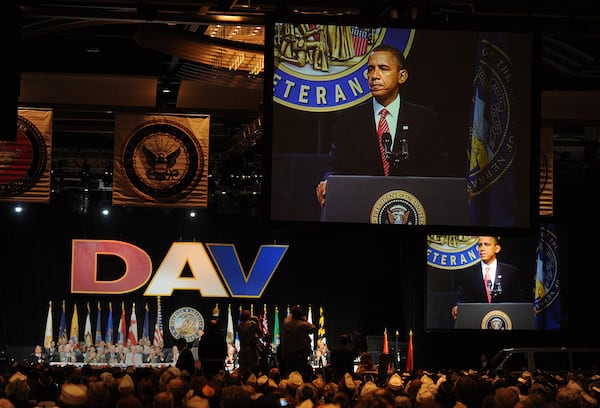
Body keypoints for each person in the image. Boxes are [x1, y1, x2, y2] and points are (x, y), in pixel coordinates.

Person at [316, 43, 448, 207]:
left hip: (412, 208)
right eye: (371, 69)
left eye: (383, 68)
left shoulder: (425, 119)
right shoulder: (348, 119)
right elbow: (336, 167)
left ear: (402, 76)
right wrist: (328, 181)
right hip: (362, 206)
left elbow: (440, 171)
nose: (374, 75)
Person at [451, 236, 527, 320]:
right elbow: (462, 298)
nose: (482, 249)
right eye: (480, 245)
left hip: (503, 319)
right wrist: (457, 307)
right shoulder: (468, 273)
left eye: (486, 245)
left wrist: (528, 310)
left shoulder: (510, 272)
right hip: (477, 319)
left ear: (497, 248)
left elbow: (518, 298)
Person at [279, 305, 316, 379]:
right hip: (300, 354)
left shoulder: (286, 322)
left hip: (288, 354)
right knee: (300, 374)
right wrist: (303, 320)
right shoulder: (303, 324)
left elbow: (289, 317)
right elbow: (314, 328)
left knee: (289, 374)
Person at [236, 309, 262, 381]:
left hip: (242, 349)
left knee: (242, 368)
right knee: (252, 368)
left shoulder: (239, 326)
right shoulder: (253, 324)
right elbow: (260, 333)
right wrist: (258, 321)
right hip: (251, 349)